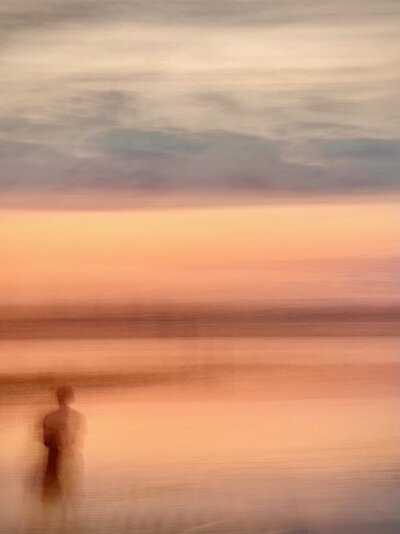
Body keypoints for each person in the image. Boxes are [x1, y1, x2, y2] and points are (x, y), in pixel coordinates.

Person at [42, 386, 85, 504]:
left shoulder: (49, 417)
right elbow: (79, 442)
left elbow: (46, 442)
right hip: (72, 458)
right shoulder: (79, 417)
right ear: (72, 398)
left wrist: (58, 442)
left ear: (57, 398)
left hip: (54, 458)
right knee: (71, 495)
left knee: (51, 497)